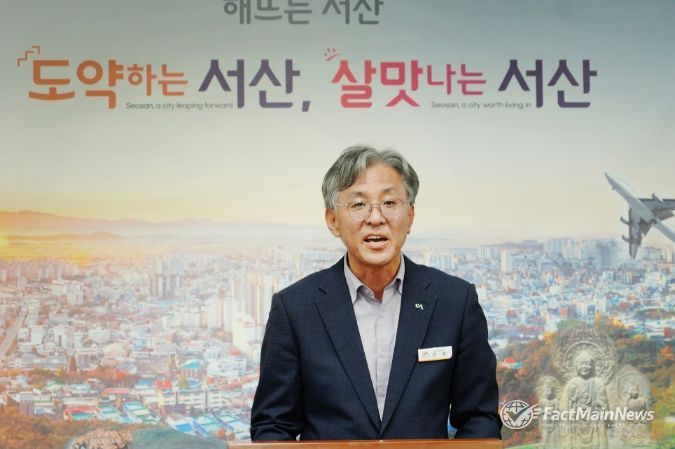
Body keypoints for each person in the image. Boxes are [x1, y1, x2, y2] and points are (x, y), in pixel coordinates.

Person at [250, 145, 501, 440]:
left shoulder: (455, 301)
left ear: (410, 216)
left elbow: (479, 417)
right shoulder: (295, 308)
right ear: (333, 221)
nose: (376, 218)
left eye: (390, 202)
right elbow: (273, 426)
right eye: (358, 205)